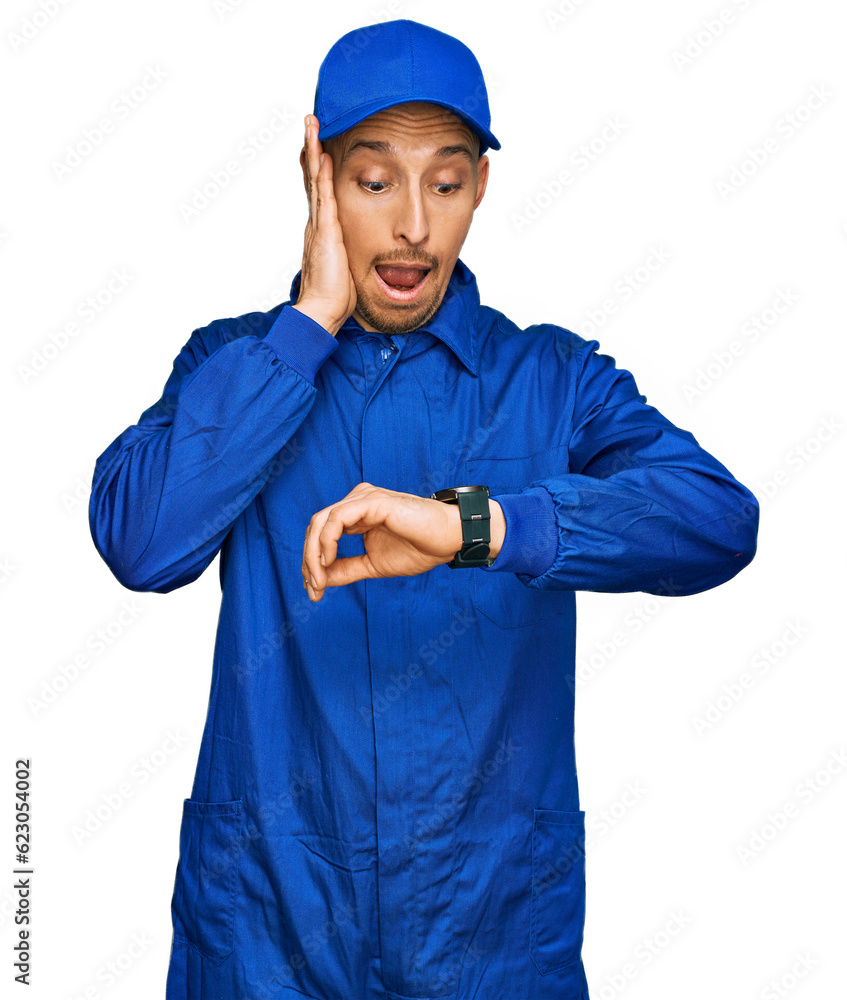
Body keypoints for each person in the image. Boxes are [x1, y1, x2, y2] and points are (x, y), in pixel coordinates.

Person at [88, 18, 759, 1000]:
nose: (411, 226)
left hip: (490, 934)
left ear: (478, 190)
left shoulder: (552, 379)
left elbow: (714, 519)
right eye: (373, 181)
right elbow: (141, 540)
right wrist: (305, 329)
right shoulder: (236, 366)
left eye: (444, 183)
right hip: (269, 934)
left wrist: (479, 527)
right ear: (317, 177)